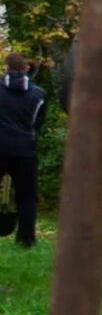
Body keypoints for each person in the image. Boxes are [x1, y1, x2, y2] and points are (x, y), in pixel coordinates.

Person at [0, 49, 47, 246]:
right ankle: (26, 239)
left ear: (6, 68)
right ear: (26, 68)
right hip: (25, 149)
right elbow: (37, 123)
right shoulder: (39, 94)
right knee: (27, 196)